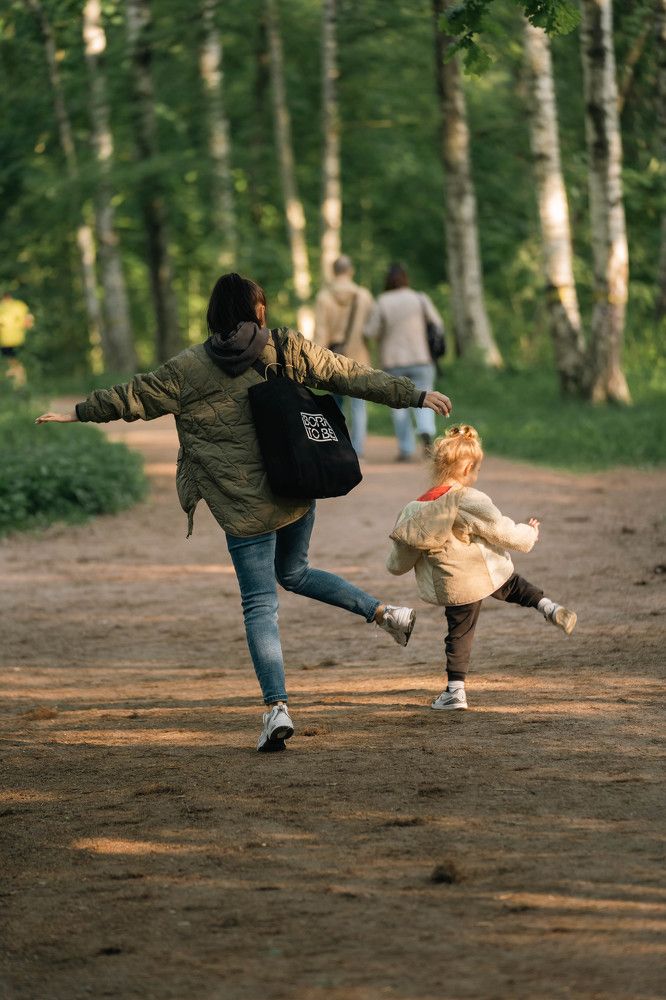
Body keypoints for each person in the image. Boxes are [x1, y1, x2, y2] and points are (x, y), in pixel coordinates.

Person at [36, 272, 453, 752]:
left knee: (260, 604)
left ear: (214, 314)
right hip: (294, 488)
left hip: (241, 507)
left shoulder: (189, 368)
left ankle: (277, 708)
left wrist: (77, 411)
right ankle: (383, 613)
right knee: (294, 571)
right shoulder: (286, 347)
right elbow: (348, 373)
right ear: (258, 310)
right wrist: (414, 395)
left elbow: (133, 396)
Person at [386, 424, 577, 711]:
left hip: (454, 584)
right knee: (513, 584)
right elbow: (502, 531)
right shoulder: (469, 498)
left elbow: (399, 560)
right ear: (468, 469)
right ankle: (548, 606)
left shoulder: (414, 510)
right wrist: (529, 533)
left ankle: (455, 692)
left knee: (459, 633)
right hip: (485, 572)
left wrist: (396, 564)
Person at [365, 263, 444, 462]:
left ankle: (406, 448)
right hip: (421, 357)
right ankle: (425, 430)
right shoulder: (420, 298)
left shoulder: (382, 301)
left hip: (394, 361)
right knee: (427, 397)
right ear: (406, 278)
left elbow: (371, 331)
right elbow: (438, 323)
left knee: (398, 402)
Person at [314, 255, 375, 457]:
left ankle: (339, 446)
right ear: (351, 271)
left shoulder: (324, 296)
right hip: (358, 358)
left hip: (334, 358)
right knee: (358, 405)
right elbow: (372, 327)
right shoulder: (363, 296)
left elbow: (321, 331)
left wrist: (316, 361)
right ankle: (358, 450)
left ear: (333, 271)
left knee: (335, 404)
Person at [0, 291, 34, 387]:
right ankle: (19, 383)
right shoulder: (20, 305)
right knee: (16, 362)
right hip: (19, 339)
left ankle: (17, 383)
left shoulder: (2, 307)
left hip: (5, 341)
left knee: (11, 362)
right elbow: (29, 320)